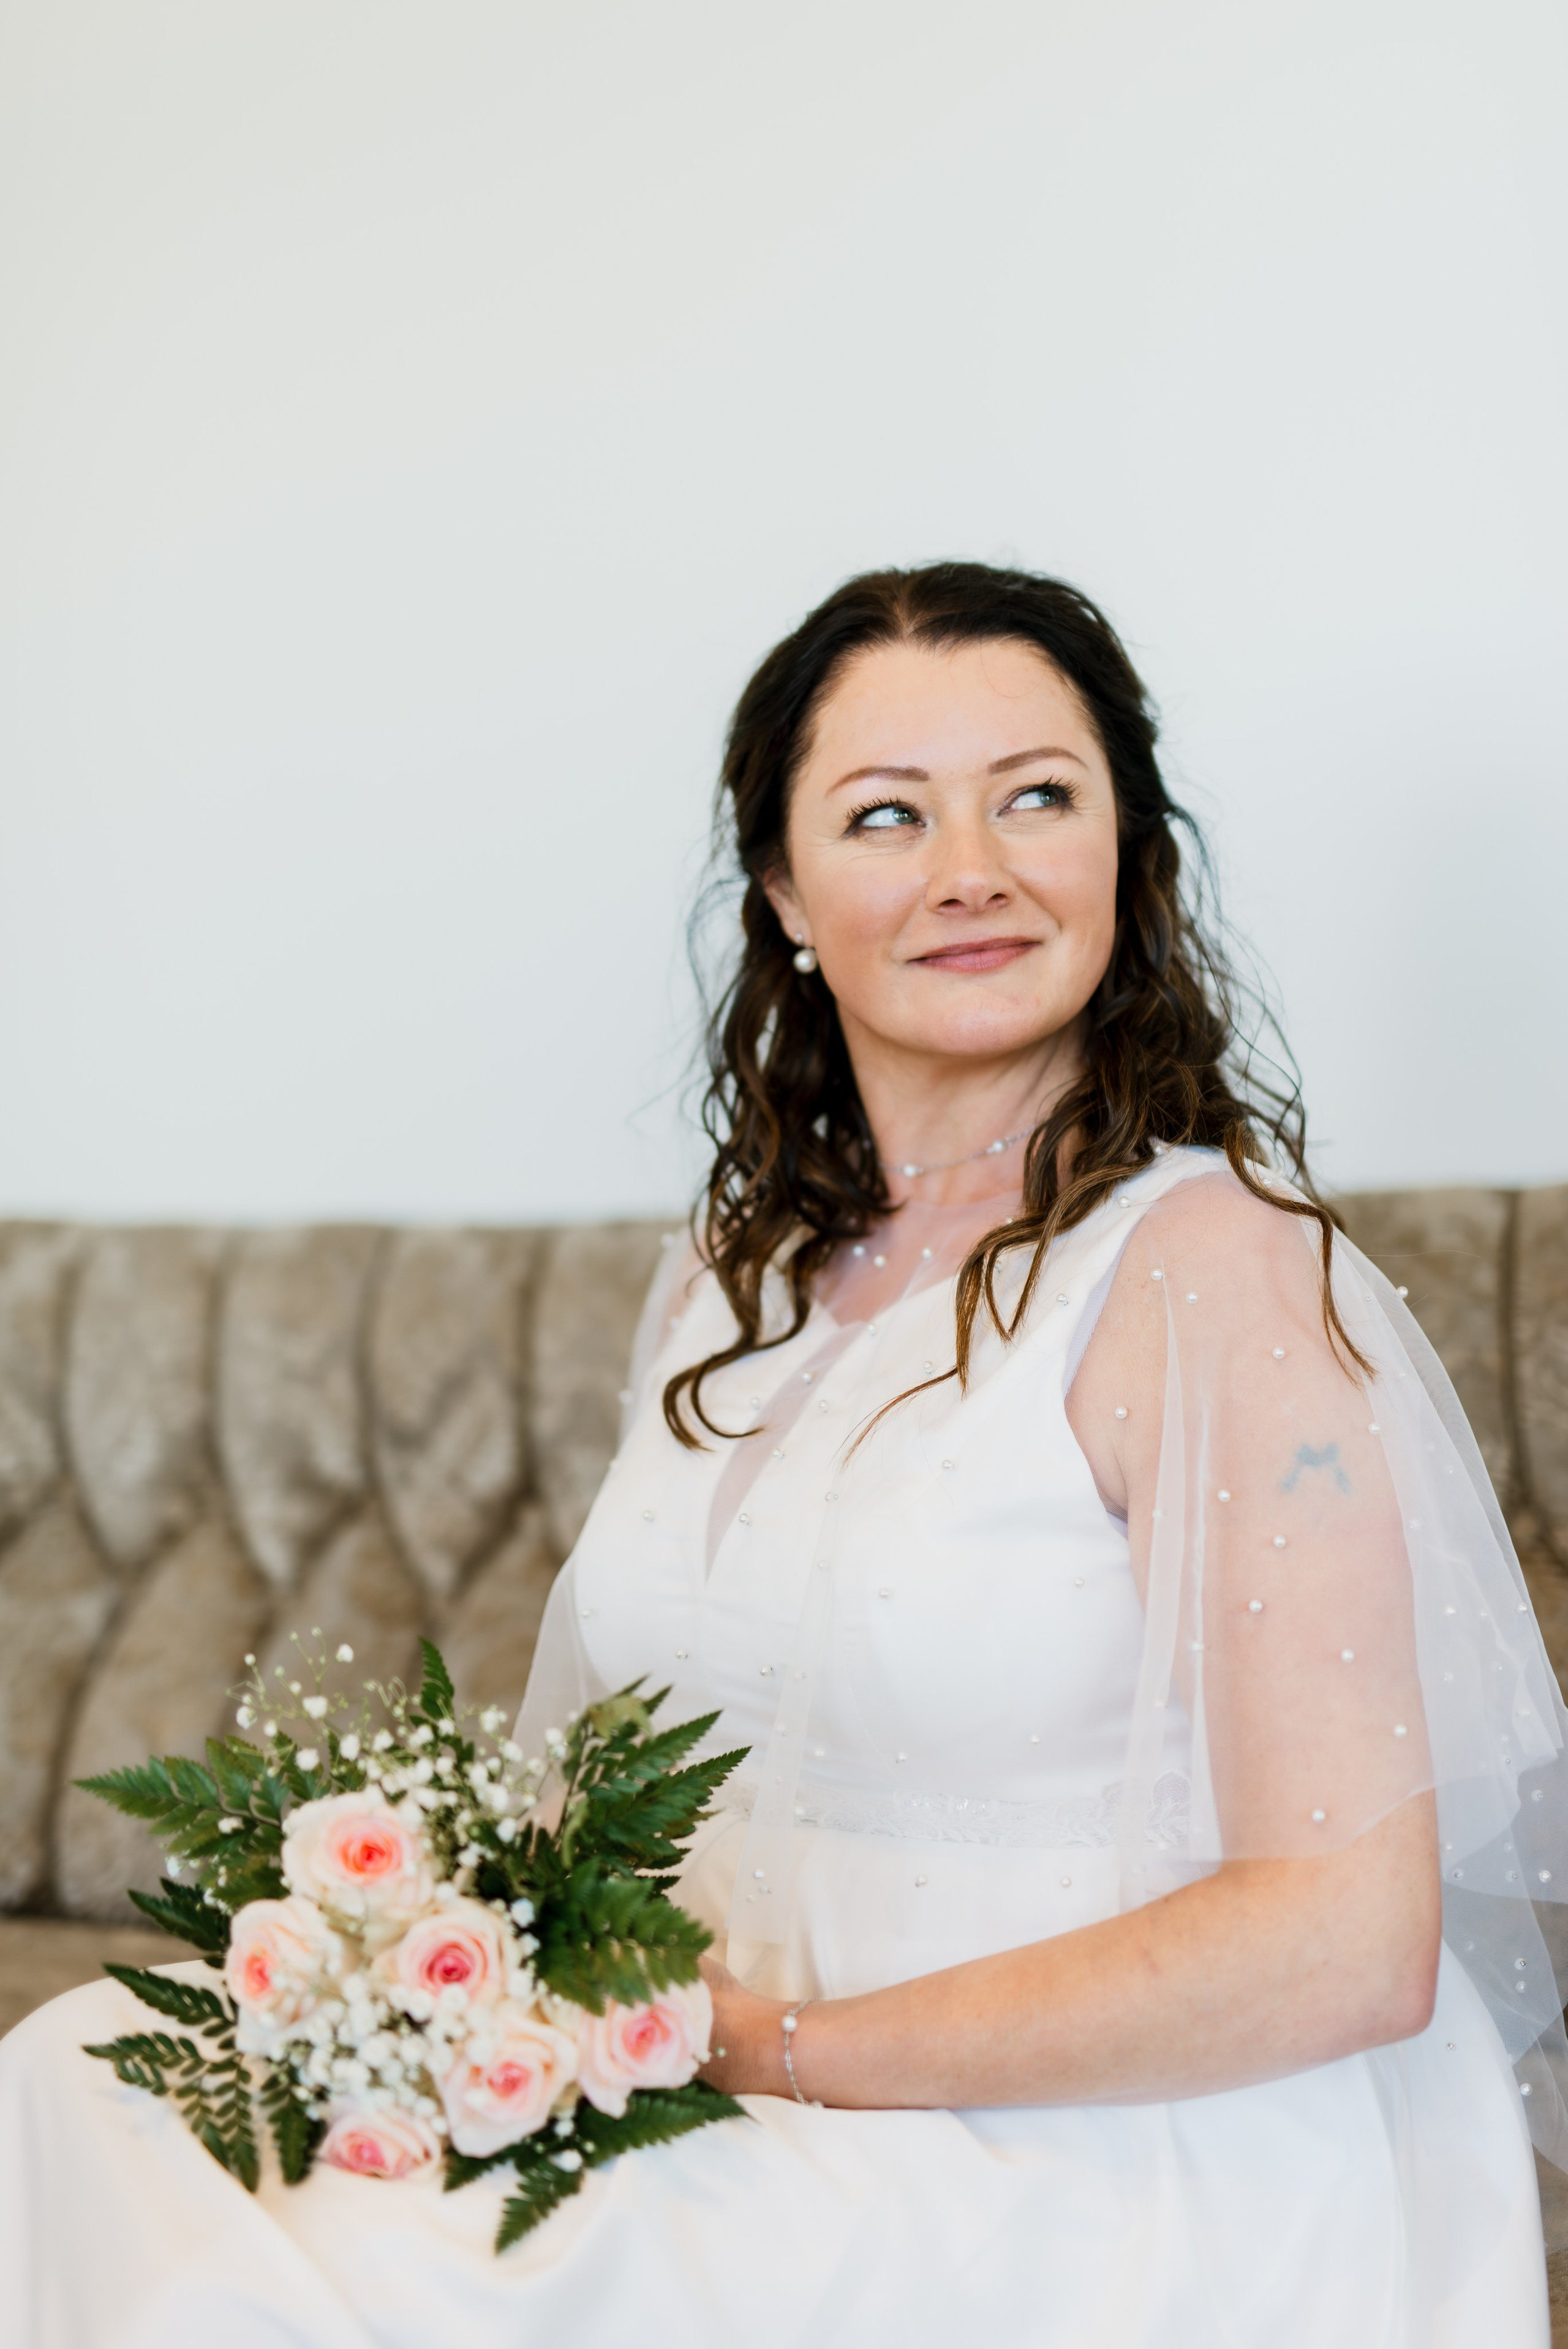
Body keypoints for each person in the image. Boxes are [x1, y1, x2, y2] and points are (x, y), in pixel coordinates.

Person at [2, 562, 1563, 2347]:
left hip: (1085, 2165)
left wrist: (791, 2055)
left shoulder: (1212, 1268)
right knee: (84, 2077)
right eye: (887, 813)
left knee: (338, 2282)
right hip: (725, 2090)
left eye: (1036, 795)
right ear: (784, 891)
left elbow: (1346, 1942)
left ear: (1131, 859)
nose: (971, 865)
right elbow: (614, 1787)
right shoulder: (732, 1275)